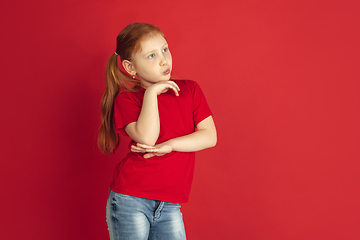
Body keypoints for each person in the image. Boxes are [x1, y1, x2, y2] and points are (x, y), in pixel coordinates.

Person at [98, 22, 217, 240]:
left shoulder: (189, 90)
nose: (164, 59)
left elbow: (210, 136)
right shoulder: (127, 100)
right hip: (131, 200)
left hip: (169, 204)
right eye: (151, 56)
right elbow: (147, 137)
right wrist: (151, 93)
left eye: (164, 49)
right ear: (131, 67)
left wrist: (170, 145)